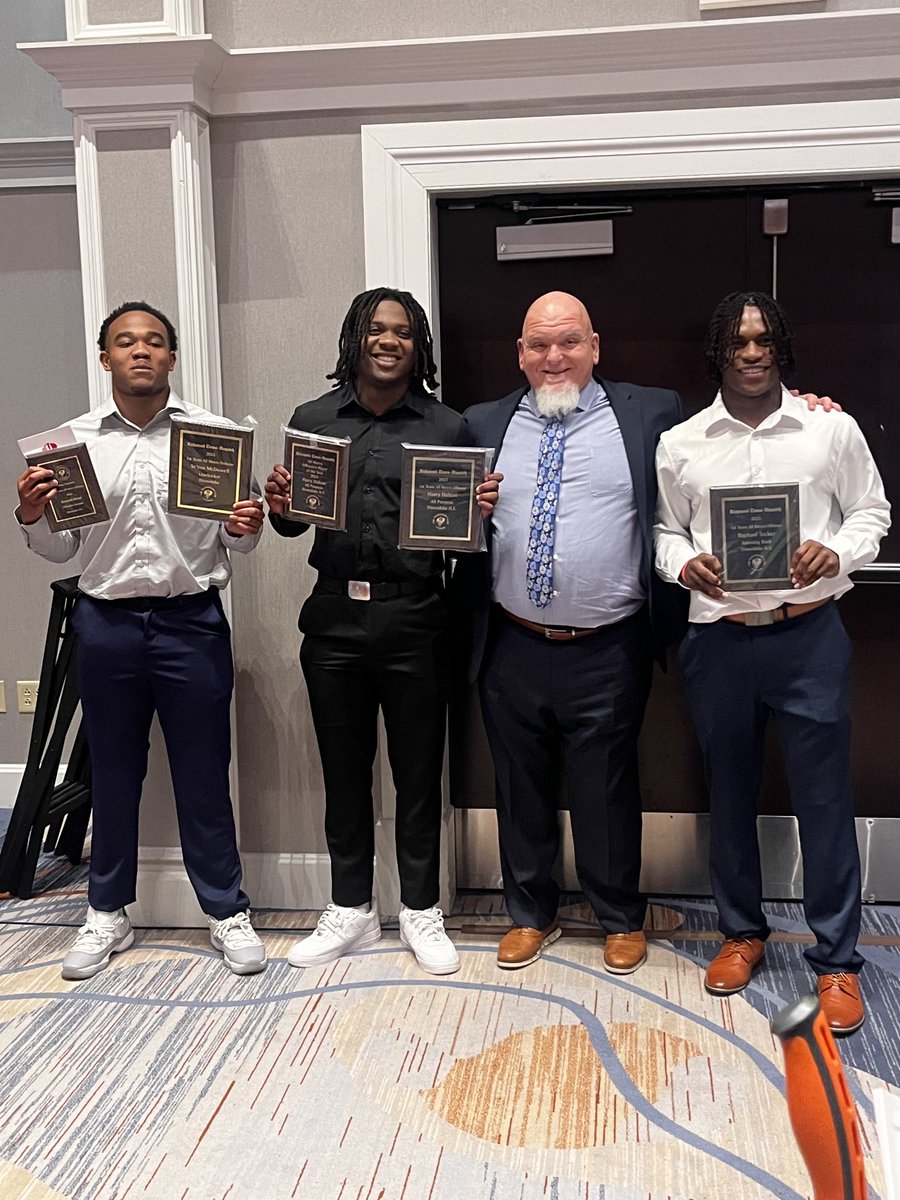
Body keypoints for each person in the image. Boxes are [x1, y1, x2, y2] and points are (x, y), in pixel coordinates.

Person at [653, 291, 890, 1034]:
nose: (750, 354)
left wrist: (838, 551)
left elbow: (873, 513)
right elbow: (664, 530)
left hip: (809, 635)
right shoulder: (682, 442)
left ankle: (838, 963)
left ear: (779, 347)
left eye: (762, 341)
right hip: (720, 641)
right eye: (736, 343)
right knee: (728, 790)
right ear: (717, 352)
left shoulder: (830, 428)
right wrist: (685, 563)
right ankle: (741, 934)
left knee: (823, 799)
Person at [15, 302, 267, 980]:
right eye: (126, 342)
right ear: (105, 359)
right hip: (106, 627)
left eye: (155, 342)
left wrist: (248, 523)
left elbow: (236, 544)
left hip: (192, 623)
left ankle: (225, 911)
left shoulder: (214, 437)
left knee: (203, 775)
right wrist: (32, 516)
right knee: (115, 776)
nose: (141, 352)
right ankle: (106, 913)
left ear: (171, 358)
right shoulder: (70, 445)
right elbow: (57, 548)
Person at [266, 287, 499, 976]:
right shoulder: (313, 419)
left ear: (417, 345)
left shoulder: (446, 425)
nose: (389, 340)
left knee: (418, 772)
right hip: (334, 617)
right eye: (376, 329)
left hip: (418, 616)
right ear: (355, 339)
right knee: (343, 772)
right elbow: (291, 522)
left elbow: (461, 541)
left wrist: (478, 509)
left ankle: (421, 910)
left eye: (402, 331)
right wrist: (281, 505)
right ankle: (351, 910)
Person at [453, 291, 687, 975]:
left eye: (569, 343)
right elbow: (446, 526)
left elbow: (722, 448)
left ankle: (618, 914)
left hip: (610, 644)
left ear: (595, 346)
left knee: (606, 785)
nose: (554, 357)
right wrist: (466, 513)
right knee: (517, 782)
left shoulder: (653, 412)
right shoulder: (481, 422)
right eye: (538, 345)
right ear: (520, 354)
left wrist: (808, 404)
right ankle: (531, 912)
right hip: (511, 640)